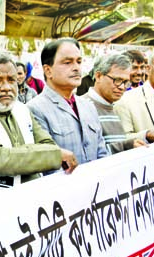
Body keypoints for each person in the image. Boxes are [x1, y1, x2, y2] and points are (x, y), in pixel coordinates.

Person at [0, 50, 75, 194]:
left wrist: (43, 154)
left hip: (33, 198)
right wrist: (52, 155)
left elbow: (49, 145)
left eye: (11, 80)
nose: (6, 87)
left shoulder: (22, 109)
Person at [27, 38, 108, 166]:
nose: (76, 68)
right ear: (48, 71)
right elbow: (46, 164)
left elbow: (102, 152)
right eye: (67, 62)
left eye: (79, 62)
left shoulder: (88, 106)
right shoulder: (35, 109)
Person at [81, 53, 145, 154]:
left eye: (126, 82)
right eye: (117, 80)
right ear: (98, 76)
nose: (122, 87)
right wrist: (126, 146)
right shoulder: (82, 108)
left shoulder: (115, 106)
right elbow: (89, 154)